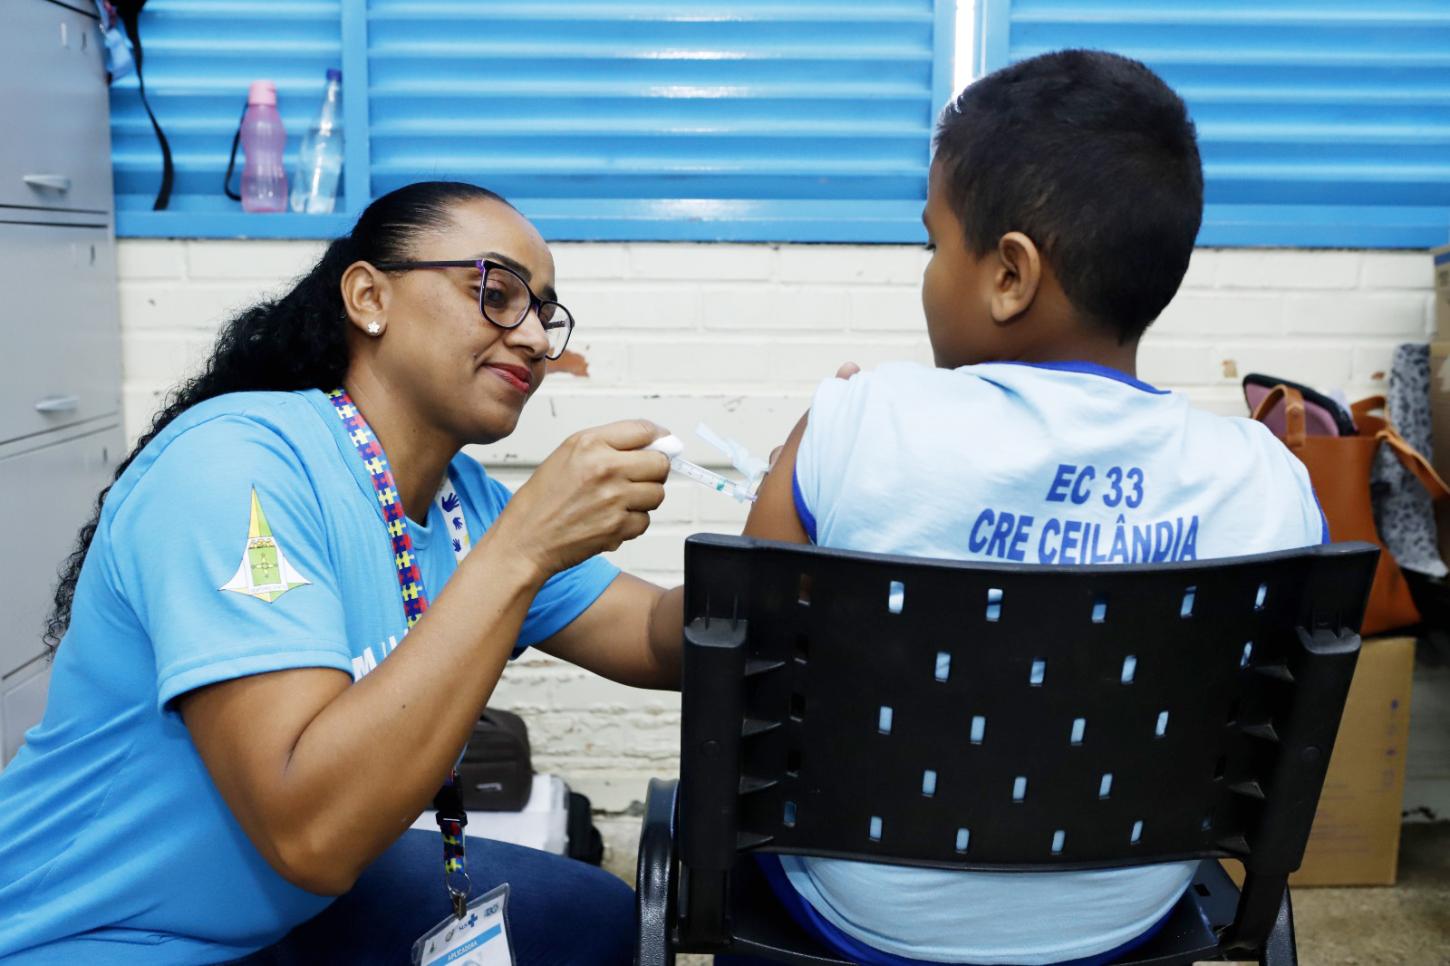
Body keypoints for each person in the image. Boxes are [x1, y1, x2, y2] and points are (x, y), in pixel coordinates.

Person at [0, 181, 688, 964]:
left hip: (284, 907)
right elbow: (312, 836)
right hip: (101, 933)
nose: (535, 337)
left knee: (593, 914)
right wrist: (524, 549)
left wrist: (796, 517)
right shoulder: (234, 468)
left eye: (545, 312)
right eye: (497, 294)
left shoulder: (465, 506)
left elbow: (656, 637)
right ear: (368, 297)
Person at [739, 50, 1325, 966]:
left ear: (1010, 274)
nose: (927, 275)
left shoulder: (859, 421)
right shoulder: (1267, 478)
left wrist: (815, 450)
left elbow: (750, 671)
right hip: (1124, 914)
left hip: (868, 914)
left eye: (934, 244)